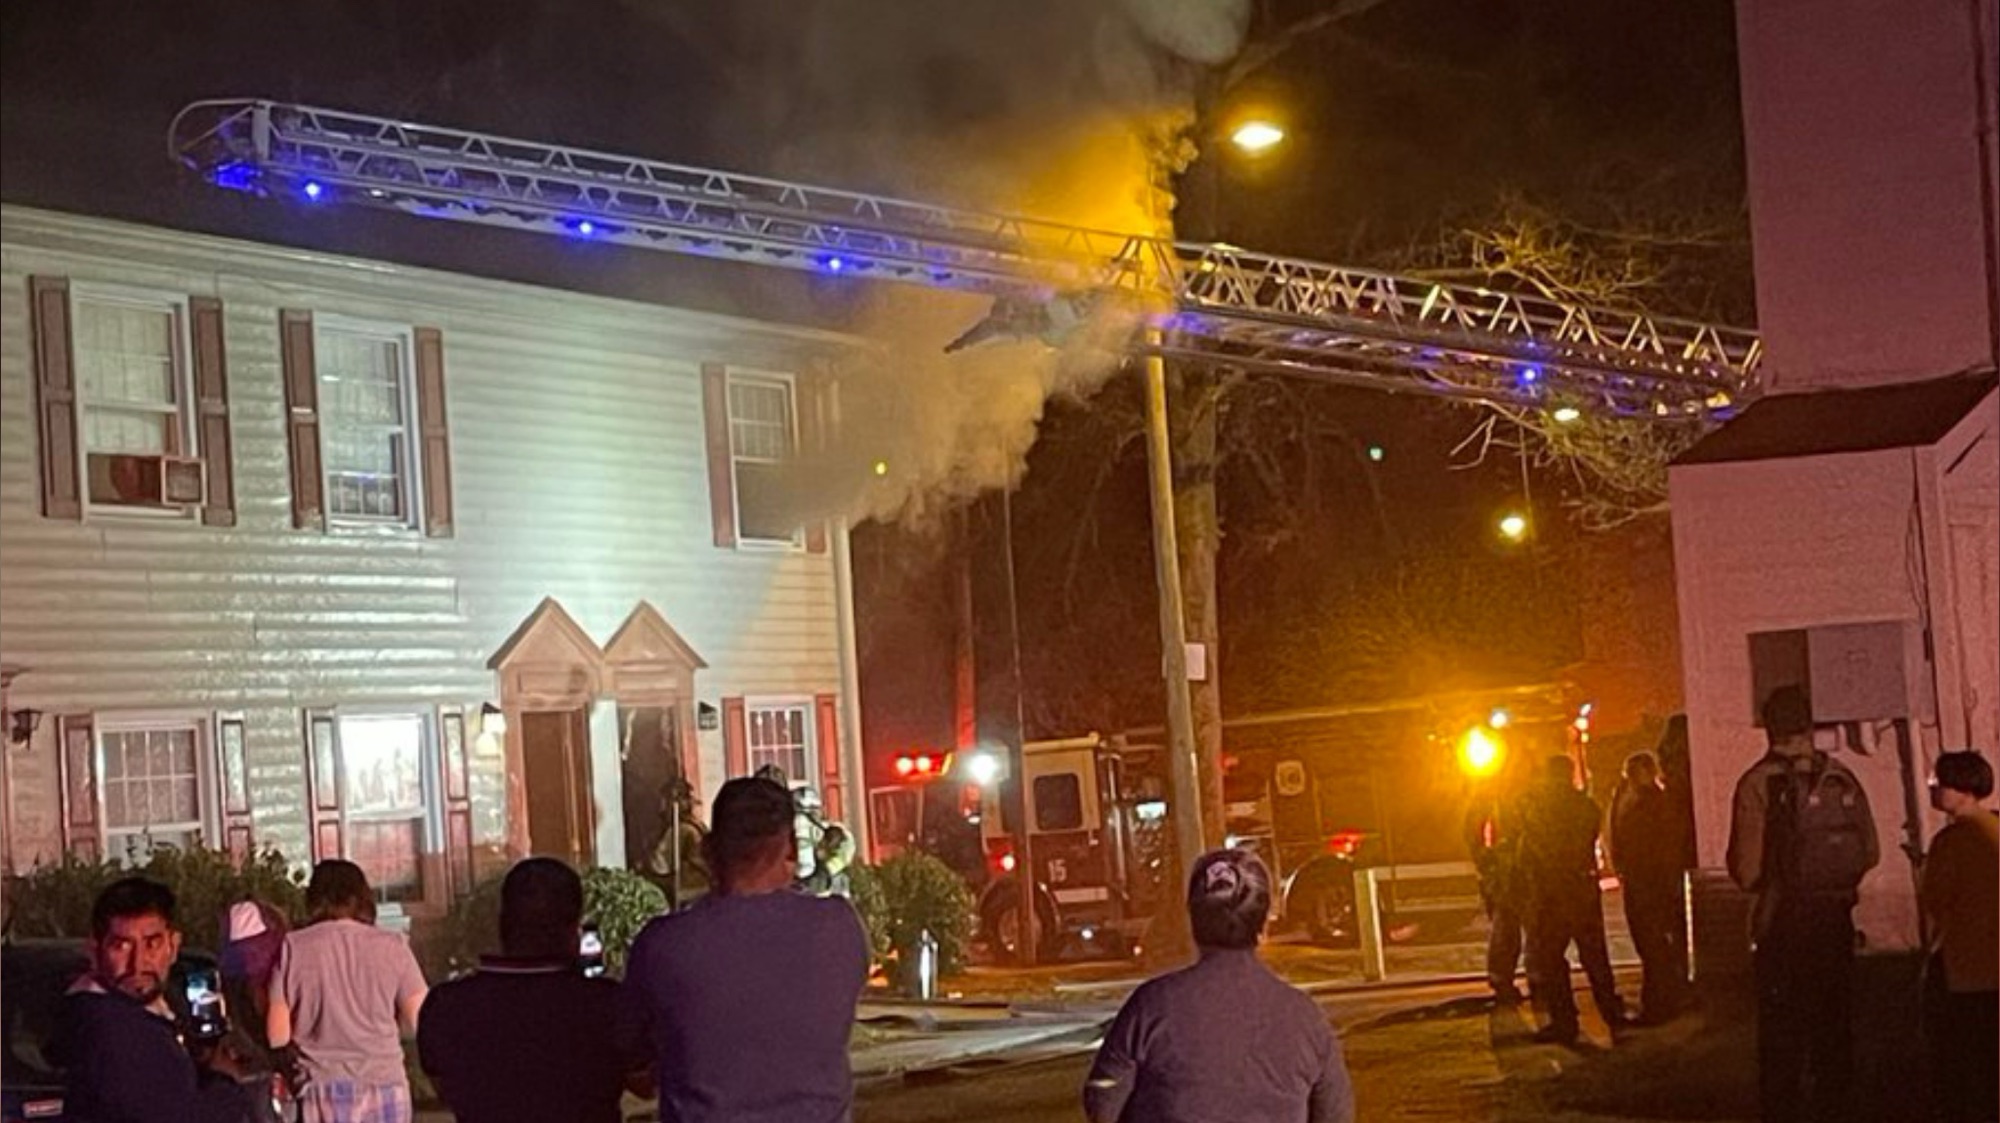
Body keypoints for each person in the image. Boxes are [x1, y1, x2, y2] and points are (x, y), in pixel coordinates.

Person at [622, 776, 870, 1123]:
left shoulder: (663, 945)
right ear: (794, 851)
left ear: (707, 850)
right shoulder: (840, 928)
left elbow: (639, 1074)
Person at [1083, 848, 1354, 1123]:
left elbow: (1102, 1101)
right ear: (1264, 927)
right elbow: (1335, 1113)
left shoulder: (1151, 1005)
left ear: (1193, 922)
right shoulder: (1305, 1017)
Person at [1726, 685, 1879, 1123]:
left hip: (1782, 926)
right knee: (1834, 1029)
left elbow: (1748, 869)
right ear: (1810, 726)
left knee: (1782, 1036)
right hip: (1834, 921)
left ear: (1768, 728)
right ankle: (1838, 1108)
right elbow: (1870, 852)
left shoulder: (1757, 783)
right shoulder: (1842, 778)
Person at [419, 858, 648, 1123]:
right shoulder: (607, 1004)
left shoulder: (446, 1006)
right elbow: (645, 1083)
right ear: (574, 931)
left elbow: (444, 1088)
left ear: (502, 923)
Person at [52, 877, 259, 1123]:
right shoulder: (112, 1030)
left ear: (173, 946)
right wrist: (225, 1080)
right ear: (95, 952)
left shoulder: (131, 1019)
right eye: (122, 946)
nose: (138, 963)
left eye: (152, 944)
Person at [268, 861, 429, 1123]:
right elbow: (420, 1020)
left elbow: (277, 1035)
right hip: (386, 1085)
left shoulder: (293, 948)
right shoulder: (393, 946)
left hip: (321, 1090)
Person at [1516, 754, 1626, 1045]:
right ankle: (1612, 1012)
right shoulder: (1585, 806)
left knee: (1552, 959)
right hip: (1582, 889)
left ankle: (1564, 1022)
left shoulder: (1537, 809)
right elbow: (1590, 836)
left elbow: (1528, 852)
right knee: (1595, 956)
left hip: (1551, 894)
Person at [1918, 750, 1997, 1123]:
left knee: (1963, 1062)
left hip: (1963, 968)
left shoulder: (1950, 842)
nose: (1934, 789)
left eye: (1940, 783)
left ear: (1962, 789)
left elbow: (1935, 901)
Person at [1608, 752, 1692, 1023]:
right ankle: (1661, 1002)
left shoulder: (1647, 804)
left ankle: (1659, 1005)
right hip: (1648, 882)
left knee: (1652, 946)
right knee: (1653, 945)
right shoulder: (1652, 801)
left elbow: (1659, 848)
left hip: (1649, 883)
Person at [1463, 773, 1525, 1003]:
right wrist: (1487, 861)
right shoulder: (1495, 796)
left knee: (1510, 929)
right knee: (1508, 929)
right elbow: (1473, 830)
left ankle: (1504, 979)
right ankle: (1503, 979)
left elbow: (1472, 830)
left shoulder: (1493, 795)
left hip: (1512, 871)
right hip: (1508, 873)